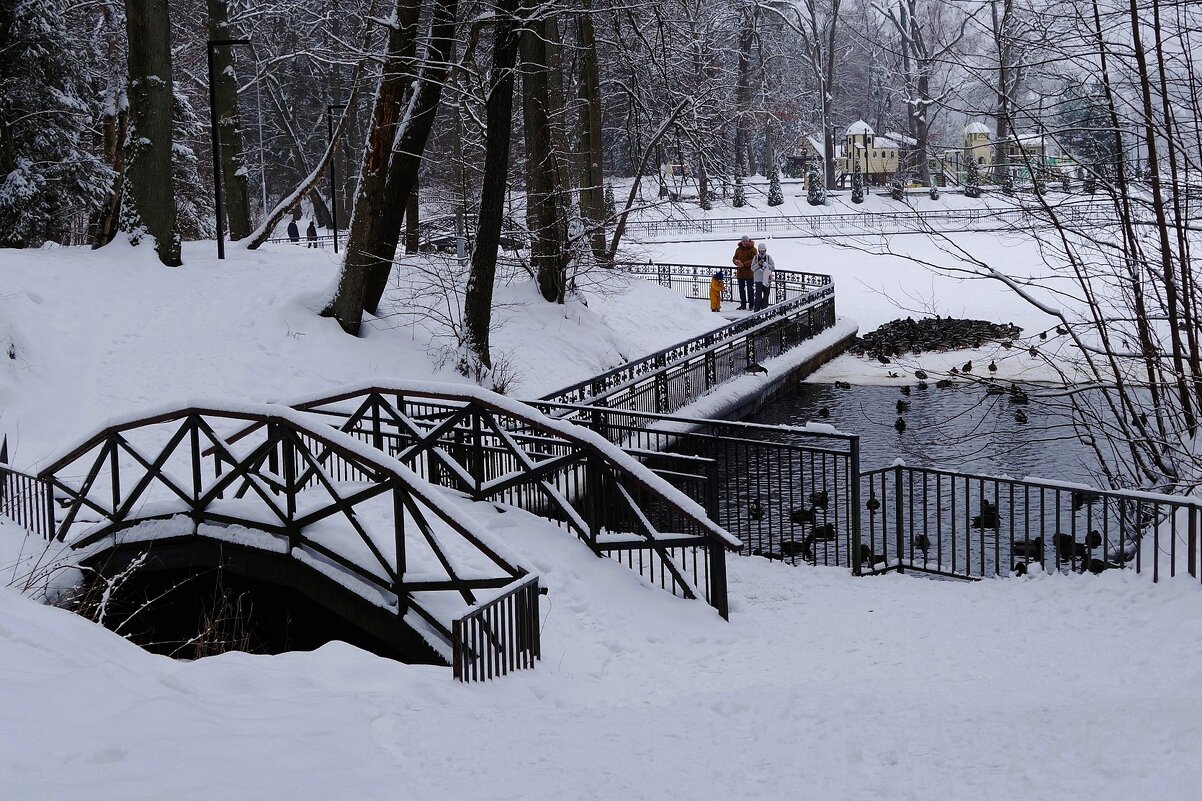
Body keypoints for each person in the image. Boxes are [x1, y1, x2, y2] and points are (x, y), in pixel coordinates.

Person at [731, 234, 757, 310]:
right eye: (743, 241)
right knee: (741, 290)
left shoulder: (753, 249)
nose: (745, 243)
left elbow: (754, 260)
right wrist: (736, 262)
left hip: (749, 273)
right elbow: (734, 258)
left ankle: (751, 305)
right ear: (741, 242)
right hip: (740, 274)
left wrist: (743, 264)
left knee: (750, 290)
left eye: (746, 241)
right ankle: (743, 304)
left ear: (749, 241)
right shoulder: (738, 249)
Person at [751, 242, 775, 311]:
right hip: (758, 280)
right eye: (760, 251)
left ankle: (764, 308)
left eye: (763, 251)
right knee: (758, 296)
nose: (762, 252)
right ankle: (757, 309)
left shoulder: (768, 257)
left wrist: (766, 264)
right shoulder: (755, 258)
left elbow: (773, 267)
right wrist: (758, 264)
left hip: (766, 280)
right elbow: (752, 268)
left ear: (765, 250)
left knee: (766, 295)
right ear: (758, 251)